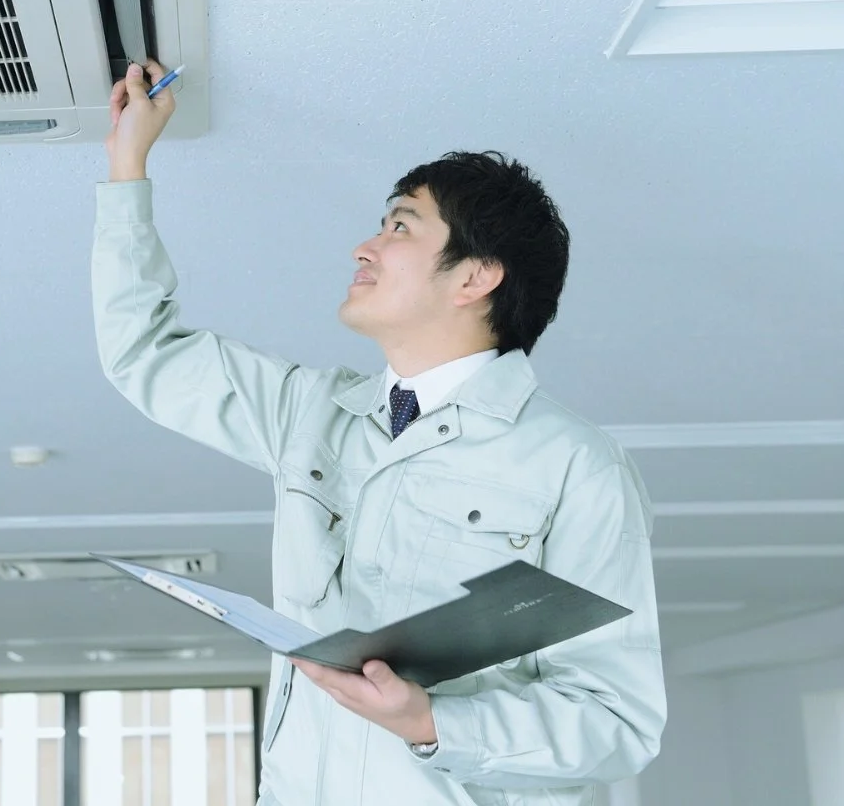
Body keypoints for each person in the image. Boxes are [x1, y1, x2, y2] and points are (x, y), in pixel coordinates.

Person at [91, 62, 667, 806]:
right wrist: (126, 165)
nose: (363, 248)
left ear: (474, 278)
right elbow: (146, 356)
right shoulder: (312, 412)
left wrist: (430, 720)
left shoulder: (573, 467)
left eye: (399, 227)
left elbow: (616, 723)